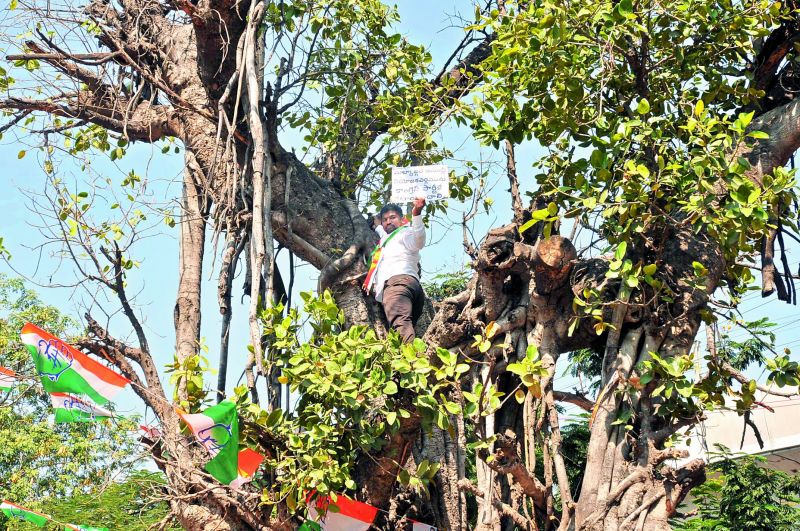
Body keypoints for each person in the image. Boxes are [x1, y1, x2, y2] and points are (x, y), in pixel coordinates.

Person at [363, 196, 427, 343]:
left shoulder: (405, 233)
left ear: (402, 218)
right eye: (385, 219)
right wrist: (378, 225)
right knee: (407, 327)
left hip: (397, 285)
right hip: (411, 287)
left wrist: (416, 213)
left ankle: (413, 363)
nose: (388, 222)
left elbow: (419, 240)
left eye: (392, 217)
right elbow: (383, 233)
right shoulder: (388, 237)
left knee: (401, 327)